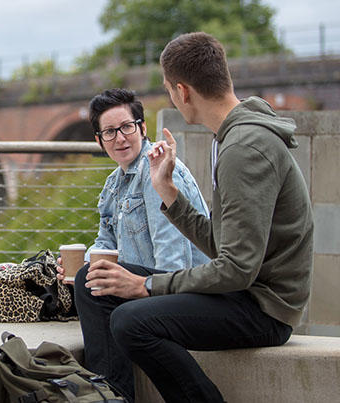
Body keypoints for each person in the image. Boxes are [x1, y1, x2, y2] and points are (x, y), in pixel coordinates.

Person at [83, 32, 313, 402]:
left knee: (131, 321)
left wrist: (145, 287)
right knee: (91, 284)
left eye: (169, 90)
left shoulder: (245, 148)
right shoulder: (230, 138)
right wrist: (168, 193)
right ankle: (111, 398)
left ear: (182, 91)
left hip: (263, 308)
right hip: (242, 291)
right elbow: (224, 244)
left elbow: (237, 269)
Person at [57, 88, 210, 401]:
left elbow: (175, 264)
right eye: (110, 132)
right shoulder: (114, 182)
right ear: (99, 140)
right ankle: (107, 392)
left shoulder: (158, 173)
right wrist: (77, 264)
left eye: (127, 127)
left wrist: (104, 277)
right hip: (145, 284)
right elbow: (105, 243)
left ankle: (109, 394)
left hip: (181, 289)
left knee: (91, 282)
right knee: (76, 277)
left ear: (142, 128)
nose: (120, 138)